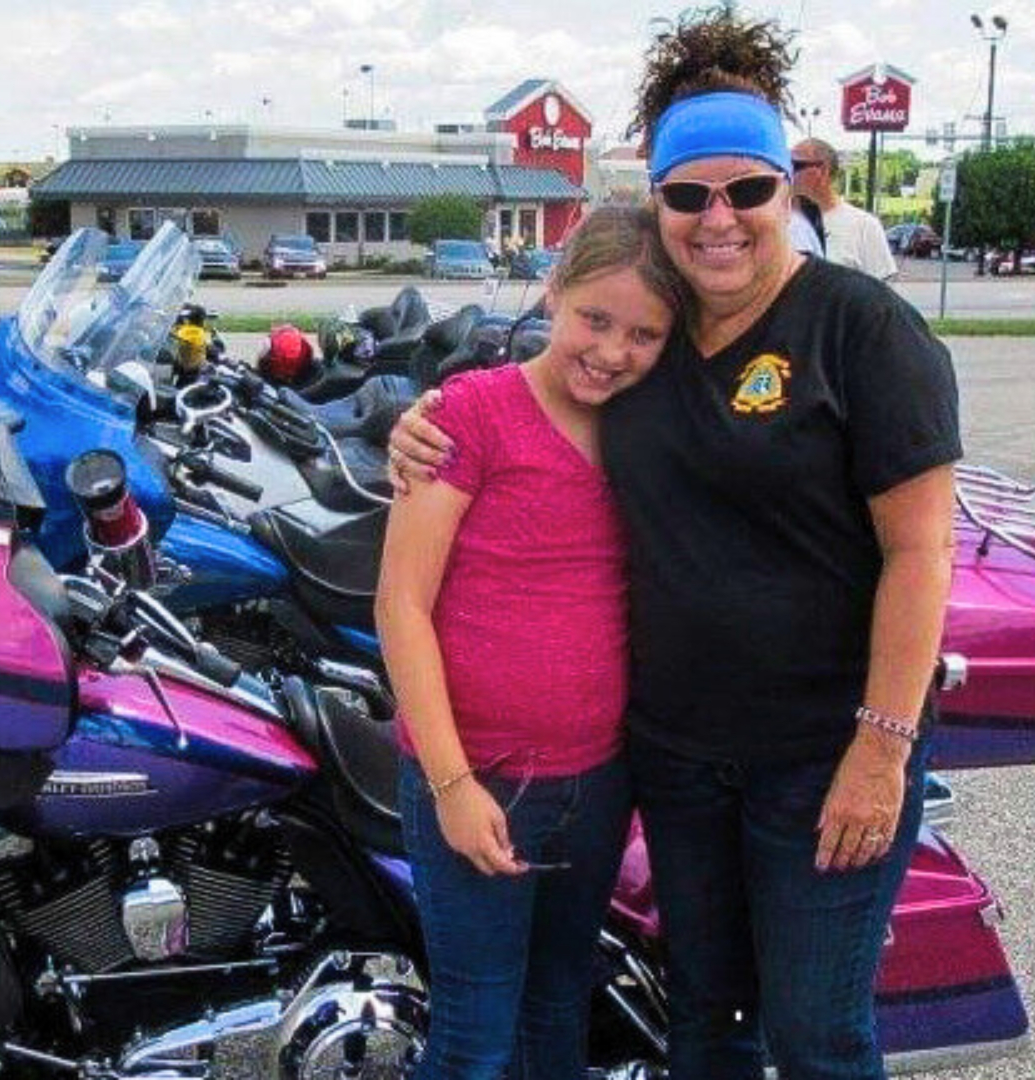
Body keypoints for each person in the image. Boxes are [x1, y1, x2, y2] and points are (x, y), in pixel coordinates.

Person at [390, 8, 961, 1078]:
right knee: (703, 1015)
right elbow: (531, 407)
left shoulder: (864, 331)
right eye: (689, 194)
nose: (720, 219)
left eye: (748, 190)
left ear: (789, 189)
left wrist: (880, 755)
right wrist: (416, 426)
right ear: (656, 203)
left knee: (816, 1031)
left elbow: (923, 553)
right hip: (678, 756)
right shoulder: (652, 345)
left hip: (822, 752)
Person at [376, 204, 683, 1080]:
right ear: (554, 291)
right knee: (475, 1033)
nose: (612, 351)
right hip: (481, 778)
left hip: (598, 777)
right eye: (595, 318)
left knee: (558, 1012)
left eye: (644, 334)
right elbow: (401, 603)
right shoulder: (470, 416)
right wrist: (452, 783)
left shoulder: (650, 425)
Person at [790, 138, 899, 279]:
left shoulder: (865, 226)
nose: (788, 172)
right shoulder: (780, 223)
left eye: (795, 165)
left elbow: (881, 293)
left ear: (822, 171)